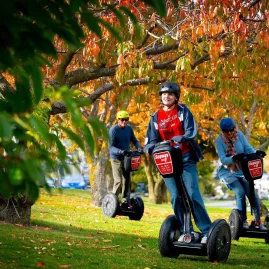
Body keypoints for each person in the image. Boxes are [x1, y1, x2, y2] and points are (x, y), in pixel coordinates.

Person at [144, 81, 212, 244]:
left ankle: (206, 230)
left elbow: (191, 130)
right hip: (167, 161)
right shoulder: (155, 117)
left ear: (176, 97)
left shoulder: (183, 111)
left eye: (170, 94)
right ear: (161, 97)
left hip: (185, 157)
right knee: (175, 196)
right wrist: (149, 147)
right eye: (164, 94)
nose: (166, 96)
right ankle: (185, 230)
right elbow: (150, 139)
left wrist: (184, 137)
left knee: (192, 193)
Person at [215, 117, 267, 231]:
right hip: (227, 171)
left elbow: (248, 149)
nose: (229, 133)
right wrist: (234, 158)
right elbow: (223, 160)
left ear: (234, 128)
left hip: (242, 170)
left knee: (251, 193)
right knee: (240, 191)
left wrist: (256, 153)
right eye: (226, 131)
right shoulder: (219, 140)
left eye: (231, 129)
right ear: (222, 131)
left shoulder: (240, 135)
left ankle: (257, 221)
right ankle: (242, 220)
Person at [109, 110, 142, 201]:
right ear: (118, 120)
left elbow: (134, 140)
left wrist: (139, 148)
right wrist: (120, 151)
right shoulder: (113, 130)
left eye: (126, 119)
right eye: (122, 119)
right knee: (118, 180)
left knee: (127, 179)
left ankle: (125, 199)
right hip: (116, 158)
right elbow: (111, 147)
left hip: (126, 157)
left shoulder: (129, 128)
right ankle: (113, 200)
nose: (124, 122)